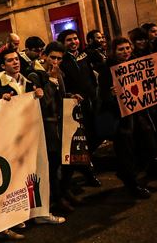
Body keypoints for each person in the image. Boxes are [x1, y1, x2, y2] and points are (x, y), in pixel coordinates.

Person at [98, 37, 155, 198]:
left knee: (148, 142)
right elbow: (102, 95)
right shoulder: (107, 69)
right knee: (126, 151)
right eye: (121, 49)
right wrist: (110, 94)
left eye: (127, 48)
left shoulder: (136, 63)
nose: (125, 52)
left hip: (137, 113)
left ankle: (129, 173)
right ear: (114, 51)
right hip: (120, 118)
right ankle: (132, 183)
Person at [27, 42, 72, 222]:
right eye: (52, 57)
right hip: (46, 128)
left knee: (62, 163)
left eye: (59, 59)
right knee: (51, 166)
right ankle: (55, 200)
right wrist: (52, 82)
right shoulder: (34, 75)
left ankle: (62, 194)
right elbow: (43, 103)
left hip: (60, 126)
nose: (55, 61)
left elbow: (62, 97)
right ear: (44, 56)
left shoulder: (58, 74)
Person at [58, 29, 102, 188]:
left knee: (95, 135)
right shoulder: (61, 62)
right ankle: (88, 172)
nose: (73, 42)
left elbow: (92, 77)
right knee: (81, 141)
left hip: (90, 103)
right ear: (63, 43)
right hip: (74, 107)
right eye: (69, 40)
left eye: (75, 39)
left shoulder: (85, 56)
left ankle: (86, 167)